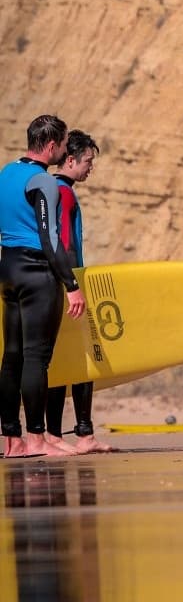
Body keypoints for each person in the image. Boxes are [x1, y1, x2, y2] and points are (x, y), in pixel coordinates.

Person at [0, 115, 87, 458]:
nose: (66, 151)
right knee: (36, 358)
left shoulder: (6, 174)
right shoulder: (44, 182)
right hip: (38, 272)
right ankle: (37, 438)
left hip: (7, 268)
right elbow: (51, 240)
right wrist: (71, 284)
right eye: (65, 145)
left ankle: (12, 440)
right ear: (51, 146)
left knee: (11, 357)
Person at [45, 130, 112, 455]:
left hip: (57, 284)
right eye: (87, 161)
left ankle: (56, 433)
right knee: (83, 359)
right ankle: (82, 434)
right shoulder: (65, 194)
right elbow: (65, 244)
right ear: (70, 160)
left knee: (63, 361)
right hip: (69, 285)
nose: (90, 168)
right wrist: (73, 285)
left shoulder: (52, 191)